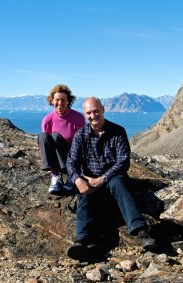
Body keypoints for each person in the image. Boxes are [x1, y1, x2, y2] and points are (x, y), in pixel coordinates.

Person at [66, 96, 156, 261]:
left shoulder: (117, 131)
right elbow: (71, 162)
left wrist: (101, 179)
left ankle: (141, 232)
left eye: (96, 111)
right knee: (85, 197)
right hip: (90, 180)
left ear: (103, 110)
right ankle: (82, 240)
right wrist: (79, 180)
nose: (93, 116)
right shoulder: (80, 135)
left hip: (112, 179)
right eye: (89, 113)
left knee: (120, 184)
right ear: (85, 115)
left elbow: (123, 162)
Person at [38, 84, 85, 196]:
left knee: (56, 136)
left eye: (63, 100)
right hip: (56, 160)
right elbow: (47, 146)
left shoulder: (78, 117)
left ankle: (71, 175)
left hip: (73, 156)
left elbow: (82, 142)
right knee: (43, 136)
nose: (60, 103)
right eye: (57, 100)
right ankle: (55, 175)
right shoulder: (47, 119)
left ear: (68, 101)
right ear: (52, 101)